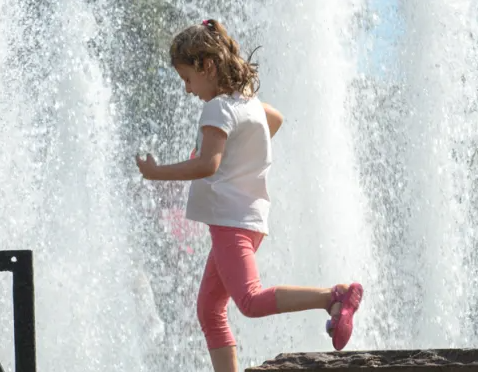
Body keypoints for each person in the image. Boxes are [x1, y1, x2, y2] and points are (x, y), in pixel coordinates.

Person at [135, 19, 363, 372]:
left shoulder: (216, 109)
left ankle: (333, 297)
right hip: (246, 220)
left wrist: (156, 173)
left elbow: (208, 165)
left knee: (250, 301)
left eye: (187, 78)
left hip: (231, 221)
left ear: (207, 66)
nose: (186, 89)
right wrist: (243, 150)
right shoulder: (249, 104)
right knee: (209, 309)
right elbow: (276, 119)